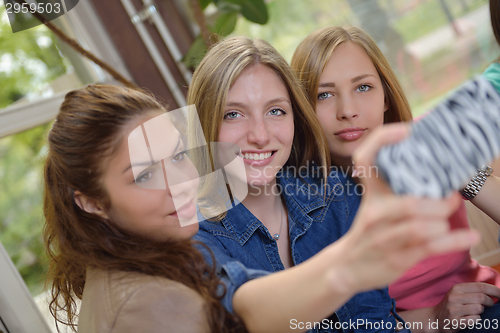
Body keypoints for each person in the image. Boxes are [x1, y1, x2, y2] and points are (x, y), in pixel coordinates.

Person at [189, 36, 478, 333]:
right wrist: (351, 261)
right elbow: (246, 314)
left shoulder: (332, 193)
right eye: (233, 114)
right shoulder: (193, 234)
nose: (260, 135)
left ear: (295, 118)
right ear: (203, 125)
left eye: (276, 111)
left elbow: (377, 323)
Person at [291, 25, 500, 332]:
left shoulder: (423, 136)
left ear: (386, 96)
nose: (347, 110)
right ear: (304, 109)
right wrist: (434, 318)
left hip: (487, 309)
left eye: (363, 87)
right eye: (324, 94)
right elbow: (328, 325)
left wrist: (461, 167)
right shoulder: (305, 203)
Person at [42, 84, 246, 333]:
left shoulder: (143, 270)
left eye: (178, 156)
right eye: (146, 175)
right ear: (93, 203)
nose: (181, 183)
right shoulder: (151, 304)